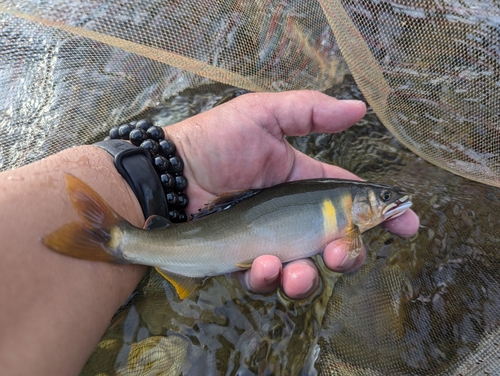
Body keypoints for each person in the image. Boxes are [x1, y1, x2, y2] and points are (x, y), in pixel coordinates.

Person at [0, 90, 419, 374]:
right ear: (359, 206)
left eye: (382, 200)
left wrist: (159, 176)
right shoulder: (349, 226)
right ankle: (121, 242)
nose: (388, 204)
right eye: (382, 199)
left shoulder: (348, 220)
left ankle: (122, 242)